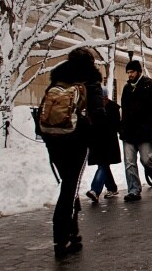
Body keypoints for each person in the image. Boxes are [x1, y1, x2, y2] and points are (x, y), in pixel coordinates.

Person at [41, 47, 105, 258]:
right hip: (77, 140)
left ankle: (73, 232)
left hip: (53, 139)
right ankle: (61, 237)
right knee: (70, 186)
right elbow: (98, 114)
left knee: (68, 184)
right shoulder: (90, 80)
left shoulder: (58, 78)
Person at [120, 59, 152, 202]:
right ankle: (134, 190)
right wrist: (123, 127)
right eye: (128, 72)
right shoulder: (127, 88)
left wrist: (149, 126)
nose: (129, 75)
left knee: (146, 160)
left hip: (144, 132)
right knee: (129, 163)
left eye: (131, 72)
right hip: (129, 132)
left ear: (138, 72)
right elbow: (124, 109)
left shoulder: (149, 85)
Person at [86, 86, 121, 203]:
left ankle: (95, 190)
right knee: (103, 166)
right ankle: (112, 188)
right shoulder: (93, 108)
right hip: (97, 142)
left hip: (108, 143)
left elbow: (116, 126)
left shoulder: (113, 108)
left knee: (103, 165)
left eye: (103, 97)